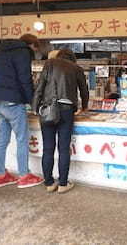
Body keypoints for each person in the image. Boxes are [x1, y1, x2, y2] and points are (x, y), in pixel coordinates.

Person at [0, 33, 44, 188]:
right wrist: (33, 102)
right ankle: (24, 175)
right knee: (22, 140)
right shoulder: (23, 52)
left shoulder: (2, 52)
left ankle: (0, 175)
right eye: (35, 48)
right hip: (13, 103)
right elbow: (25, 78)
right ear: (31, 45)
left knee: (1, 141)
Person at [33, 49, 89, 194]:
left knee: (48, 148)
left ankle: (49, 183)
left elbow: (40, 87)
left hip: (48, 109)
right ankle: (63, 183)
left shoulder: (50, 63)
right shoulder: (77, 68)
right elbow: (84, 90)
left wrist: (35, 107)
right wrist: (84, 107)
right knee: (64, 148)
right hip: (66, 110)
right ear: (73, 58)